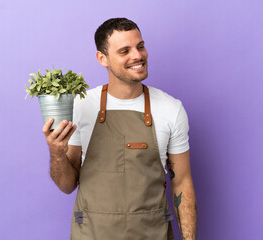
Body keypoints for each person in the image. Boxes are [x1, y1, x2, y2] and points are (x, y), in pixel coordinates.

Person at [42, 18, 197, 240]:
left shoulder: (170, 109)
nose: (137, 56)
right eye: (125, 51)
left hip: (152, 234)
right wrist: (57, 154)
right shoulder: (82, 106)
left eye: (140, 46)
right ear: (102, 58)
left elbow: (182, 181)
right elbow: (67, 186)